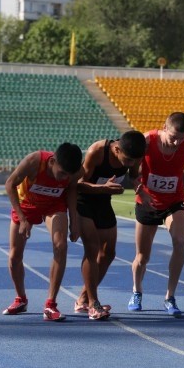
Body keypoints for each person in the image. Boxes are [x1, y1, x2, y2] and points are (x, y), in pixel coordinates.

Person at [127, 112, 184, 318]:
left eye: (181, 138)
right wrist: (140, 190)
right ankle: (136, 291)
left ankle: (170, 297)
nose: (176, 142)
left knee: (180, 242)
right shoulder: (146, 141)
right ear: (164, 127)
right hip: (147, 201)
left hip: (174, 201)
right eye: (172, 137)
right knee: (142, 256)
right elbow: (132, 171)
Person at [2, 143, 83, 321]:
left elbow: (71, 191)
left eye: (69, 175)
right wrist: (23, 219)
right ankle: (21, 298)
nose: (65, 178)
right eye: (62, 173)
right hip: (26, 205)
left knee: (61, 246)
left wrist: (74, 221)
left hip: (53, 206)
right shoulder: (34, 161)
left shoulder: (75, 171)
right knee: (15, 255)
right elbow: (9, 184)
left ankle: (50, 304)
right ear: (52, 161)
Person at [75, 131, 147, 320]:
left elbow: (134, 175)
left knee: (108, 253)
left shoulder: (135, 156)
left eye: (135, 161)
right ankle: (93, 304)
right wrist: (102, 188)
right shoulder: (97, 151)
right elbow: (78, 184)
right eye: (128, 160)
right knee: (91, 249)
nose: (131, 163)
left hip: (103, 201)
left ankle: (83, 298)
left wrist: (139, 186)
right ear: (117, 149)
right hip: (83, 201)